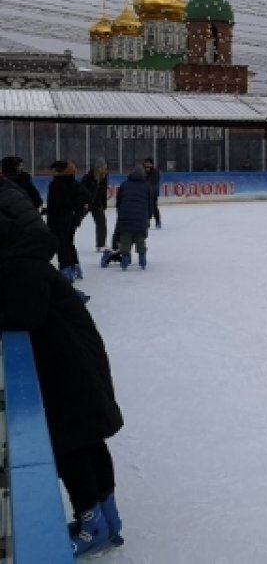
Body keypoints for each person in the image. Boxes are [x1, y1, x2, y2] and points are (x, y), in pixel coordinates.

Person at [0, 173, 125, 556]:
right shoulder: (26, 258)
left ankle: (93, 524)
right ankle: (108, 518)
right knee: (89, 442)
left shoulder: (19, 265)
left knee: (72, 446)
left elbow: (24, 315)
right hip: (77, 363)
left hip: (67, 370)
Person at [45, 161, 90, 282]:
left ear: (61, 171)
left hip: (59, 220)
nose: (52, 172)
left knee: (62, 245)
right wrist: (76, 217)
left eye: (54, 170)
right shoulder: (74, 184)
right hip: (69, 219)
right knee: (68, 243)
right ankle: (74, 267)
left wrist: (51, 212)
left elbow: (57, 204)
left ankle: (66, 271)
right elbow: (84, 202)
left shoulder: (56, 184)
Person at [102, 167, 150, 270]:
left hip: (125, 216)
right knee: (140, 239)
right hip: (141, 218)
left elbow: (119, 201)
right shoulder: (146, 186)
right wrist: (148, 217)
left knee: (125, 239)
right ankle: (142, 258)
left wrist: (121, 213)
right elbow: (150, 203)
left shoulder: (124, 184)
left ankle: (125, 258)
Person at [80, 160, 109, 253]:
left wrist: (104, 205)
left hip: (97, 204)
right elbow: (82, 191)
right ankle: (66, 240)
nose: (105, 170)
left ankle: (101, 245)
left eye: (105, 168)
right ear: (98, 168)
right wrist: (84, 202)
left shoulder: (104, 177)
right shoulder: (87, 177)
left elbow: (104, 192)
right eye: (103, 168)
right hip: (86, 204)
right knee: (75, 221)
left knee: (102, 223)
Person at [142, 158, 162, 230]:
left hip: (153, 192)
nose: (147, 164)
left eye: (148, 163)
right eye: (146, 163)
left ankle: (158, 221)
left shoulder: (155, 172)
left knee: (153, 206)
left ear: (151, 164)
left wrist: (150, 188)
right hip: (145, 192)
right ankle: (147, 221)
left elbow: (155, 183)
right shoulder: (142, 171)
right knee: (145, 207)